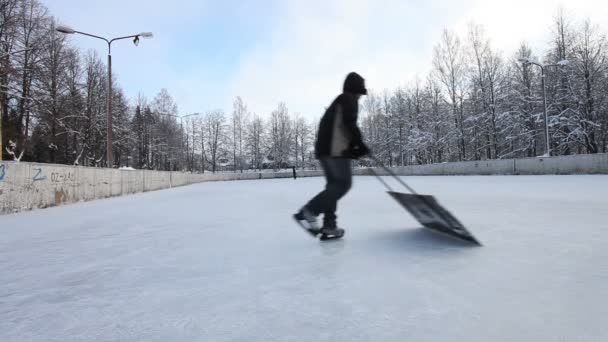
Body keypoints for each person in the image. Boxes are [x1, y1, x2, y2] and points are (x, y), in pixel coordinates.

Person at [294, 72, 370, 238]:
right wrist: (360, 145)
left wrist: (352, 150)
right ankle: (309, 211)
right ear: (355, 89)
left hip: (325, 150)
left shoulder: (339, 101)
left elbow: (340, 128)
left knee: (333, 187)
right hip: (333, 150)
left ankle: (329, 225)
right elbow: (349, 124)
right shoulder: (348, 99)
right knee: (343, 185)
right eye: (360, 93)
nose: (360, 97)